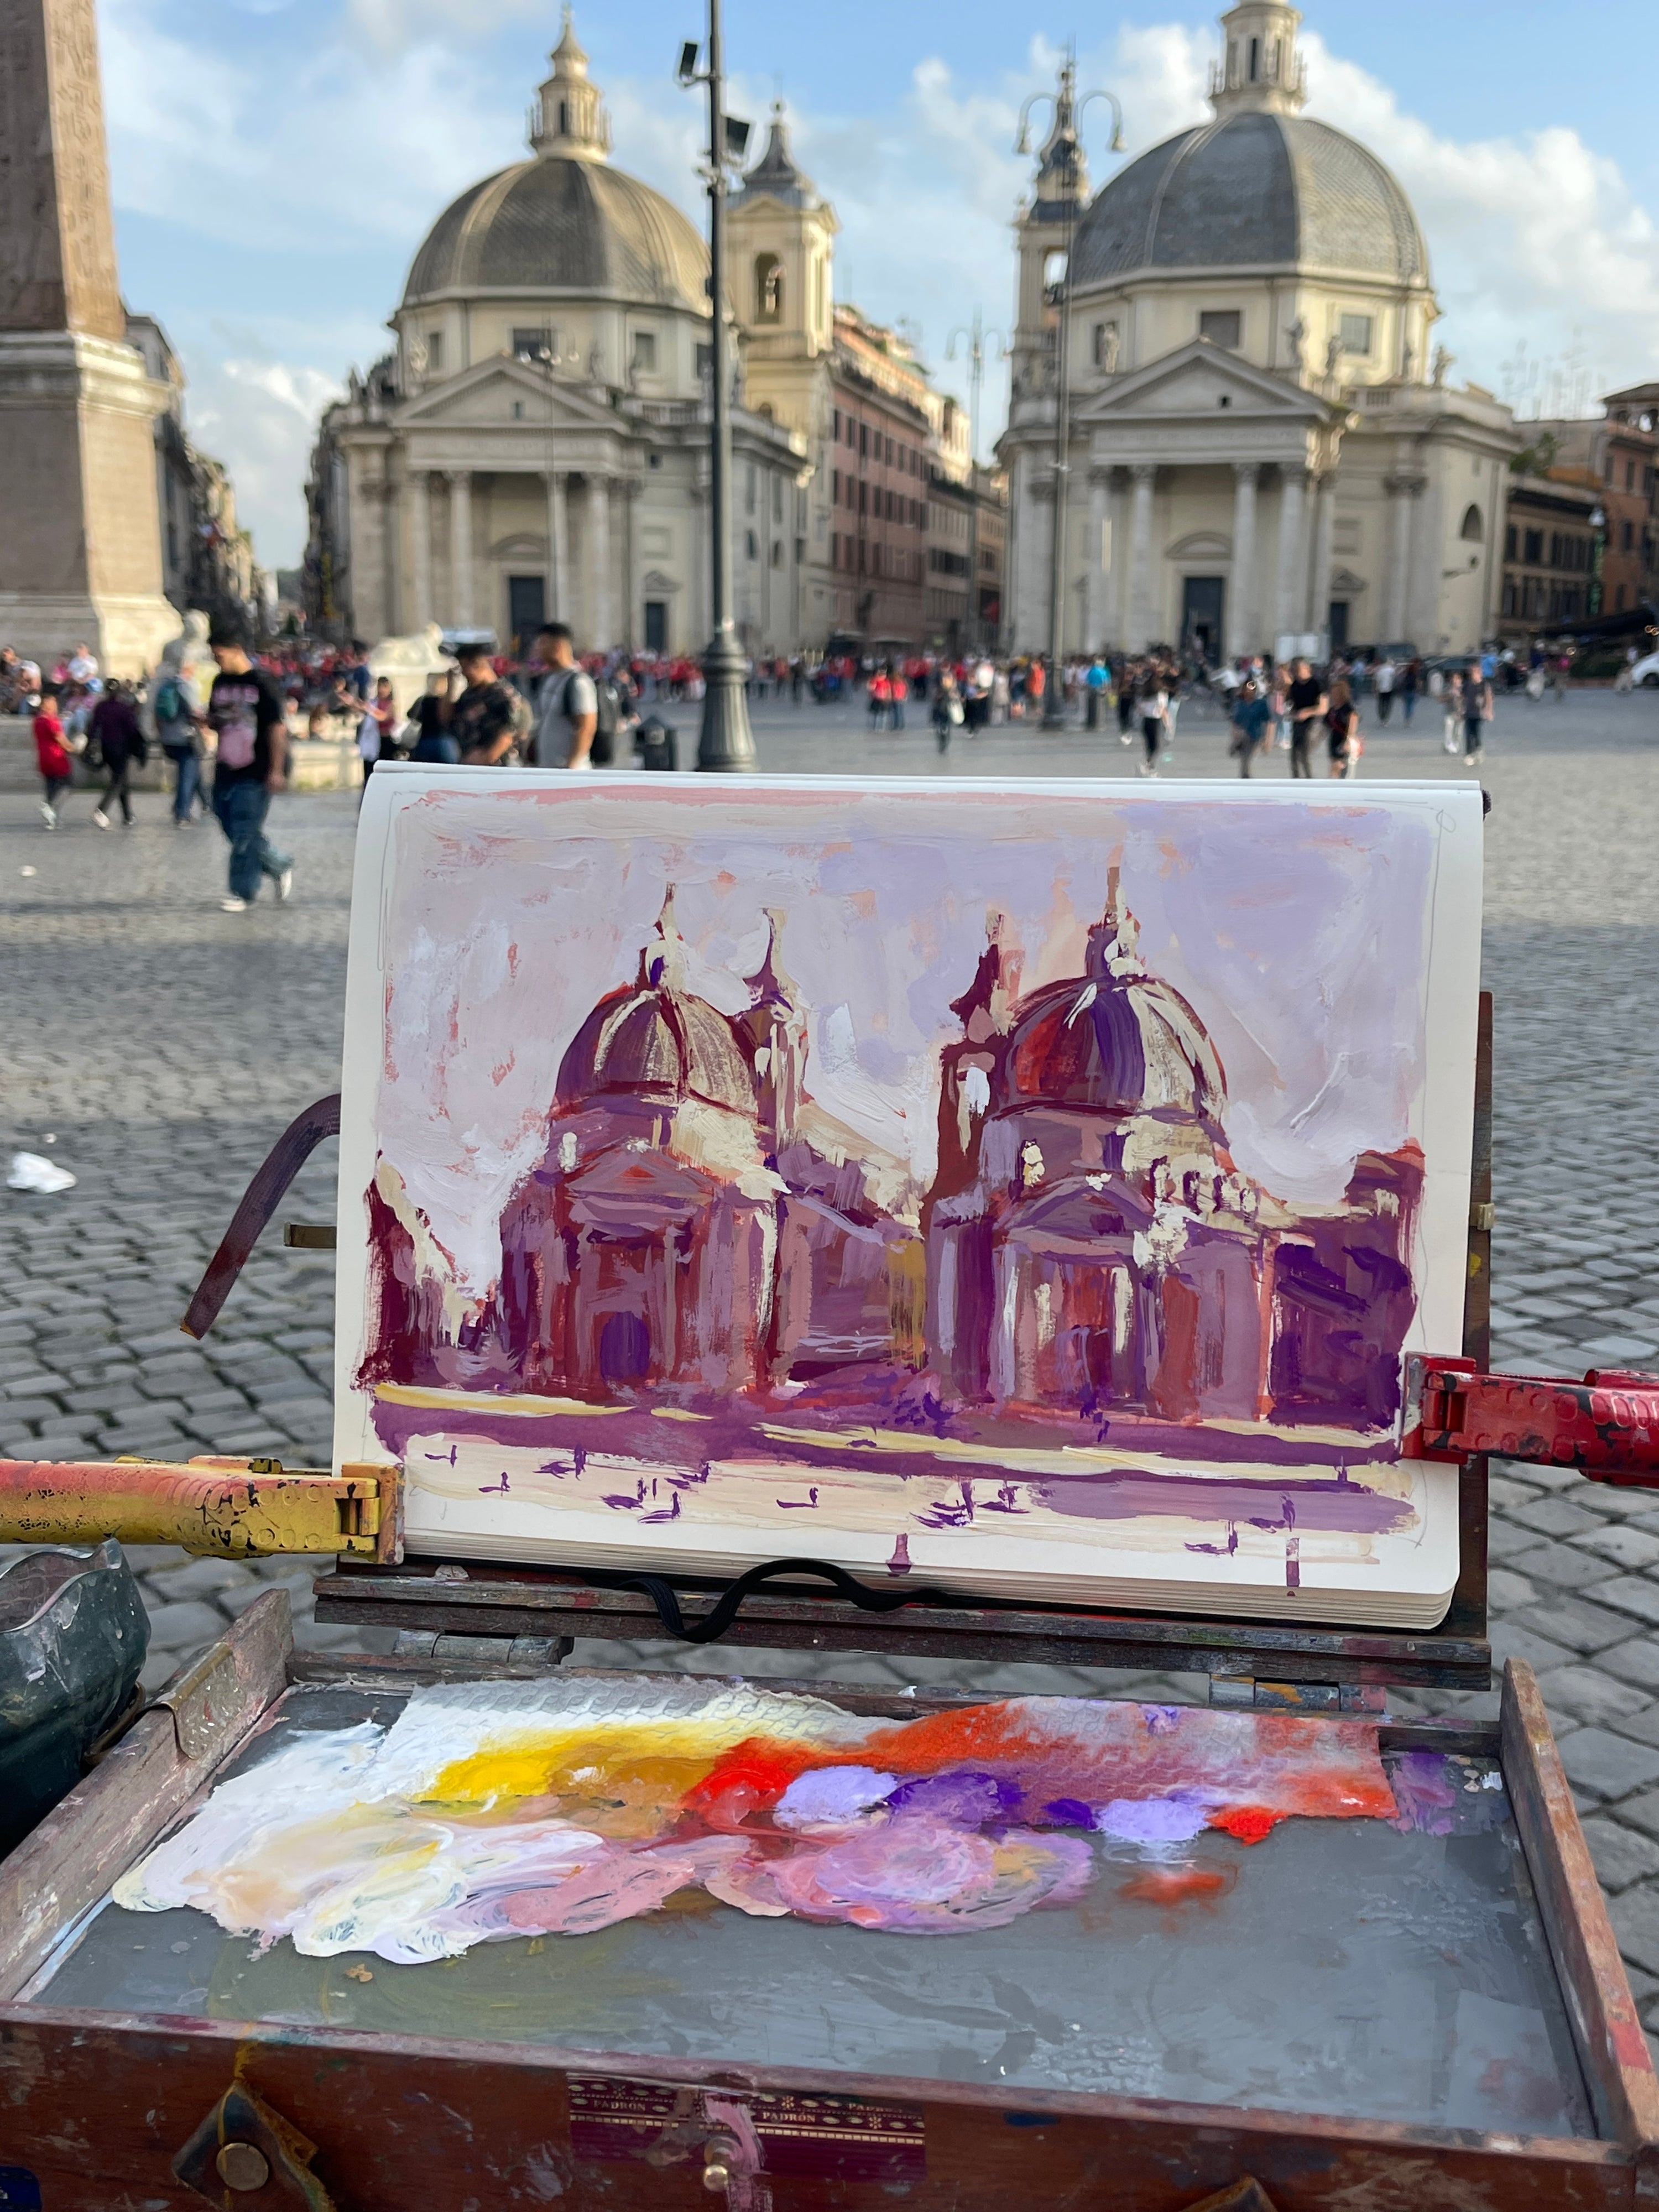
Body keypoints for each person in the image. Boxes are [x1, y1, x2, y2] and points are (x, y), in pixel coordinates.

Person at [207, 620, 294, 912]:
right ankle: (278, 864)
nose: (216, 661)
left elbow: (277, 728)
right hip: (225, 767)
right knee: (230, 826)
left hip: (257, 769)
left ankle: (242, 893)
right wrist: (208, 721)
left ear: (236, 650)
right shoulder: (219, 683)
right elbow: (217, 720)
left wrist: (277, 771)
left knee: (245, 830)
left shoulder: (263, 683)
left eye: (219, 655)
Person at [532, 624, 598, 768]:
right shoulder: (549, 679)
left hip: (569, 772)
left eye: (543, 643)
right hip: (549, 769)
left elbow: (586, 727)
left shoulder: (579, 682)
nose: (538, 648)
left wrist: (572, 765)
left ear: (558, 646)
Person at [451, 643, 526, 764]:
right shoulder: (469, 695)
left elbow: (509, 732)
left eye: (465, 668)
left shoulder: (504, 695)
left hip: (497, 766)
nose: (464, 674)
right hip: (468, 763)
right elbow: (448, 719)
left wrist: (485, 759)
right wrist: (450, 688)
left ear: (479, 665)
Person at [153, 658, 207, 825]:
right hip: (186, 738)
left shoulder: (165, 686)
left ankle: (207, 803)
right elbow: (196, 712)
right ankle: (182, 814)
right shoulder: (187, 687)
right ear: (189, 670)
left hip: (169, 739)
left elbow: (157, 715)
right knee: (187, 777)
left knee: (193, 772)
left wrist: (162, 735)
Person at [87, 682, 145, 827]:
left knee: (122, 780)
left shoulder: (101, 707)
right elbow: (132, 729)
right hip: (121, 748)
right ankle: (101, 810)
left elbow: (93, 727)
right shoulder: (124, 708)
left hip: (106, 748)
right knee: (118, 781)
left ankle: (127, 815)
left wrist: (90, 745)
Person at [33, 683, 74, 828]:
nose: (56, 705)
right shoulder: (51, 720)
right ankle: (49, 806)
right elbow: (60, 738)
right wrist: (73, 748)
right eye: (53, 702)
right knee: (67, 784)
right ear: (47, 705)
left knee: (50, 786)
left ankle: (52, 819)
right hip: (56, 757)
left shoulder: (38, 720)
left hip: (43, 757)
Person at [406, 668, 461, 763]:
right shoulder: (445, 701)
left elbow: (411, 715)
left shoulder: (423, 700)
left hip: (425, 739)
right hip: (444, 739)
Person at [1286, 658, 1326, 779]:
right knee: (1294, 755)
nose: (1296, 673)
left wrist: (1308, 712)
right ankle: (1296, 779)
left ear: (1307, 669)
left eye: (1298, 670)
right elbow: (1291, 705)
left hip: (1313, 723)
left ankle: (1309, 780)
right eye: (1294, 670)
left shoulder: (1317, 684)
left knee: (1305, 754)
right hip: (1298, 723)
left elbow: (1323, 708)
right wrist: (1292, 713)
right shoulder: (1294, 685)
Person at [1229, 677, 1271, 778]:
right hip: (1242, 737)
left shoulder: (1261, 704)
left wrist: (1268, 741)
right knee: (1244, 760)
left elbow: (1269, 722)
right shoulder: (1240, 704)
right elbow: (1235, 722)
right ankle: (1245, 778)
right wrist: (1235, 735)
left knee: (1246, 759)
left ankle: (1246, 779)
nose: (1249, 692)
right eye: (1247, 689)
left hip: (1255, 736)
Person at [1325, 678, 1360, 779]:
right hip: (1334, 740)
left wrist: (1348, 741)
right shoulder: (1332, 710)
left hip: (1344, 740)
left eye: (1336, 693)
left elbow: (1353, 725)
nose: (1333, 696)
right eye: (1332, 693)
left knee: (1339, 765)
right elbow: (1325, 726)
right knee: (1335, 765)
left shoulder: (1348, 709)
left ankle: (1335, 783)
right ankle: (1335, 782)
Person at [1136, 671, 1168, 778]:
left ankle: (1149, 766)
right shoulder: (1161, 695)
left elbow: (1140, 709)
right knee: (1156, 746)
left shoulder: (1145, 694)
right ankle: (1148, 766)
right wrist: (1168, 725)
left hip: (1146, 721)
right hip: (1155, 721)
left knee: (1149, 746)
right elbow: (1163, 710)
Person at [1461, 659, 1491, 764]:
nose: (1476, 674)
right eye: (1473, 672)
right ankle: (1469, 754)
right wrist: (1461, 710)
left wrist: (1488, 711)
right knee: (1469, 734)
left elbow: (1489, 697)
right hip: (1468, 712)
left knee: (1476, 733)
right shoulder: (1467, 684)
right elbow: (1462, 698)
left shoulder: (1484, 684)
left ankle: (1478, 749)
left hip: (1479, 713)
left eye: (1478, 672)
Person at [1374, 655, 1396, 723]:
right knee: (1388, 704)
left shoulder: (1379, 671)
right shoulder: (1392, 670)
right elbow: (1394, 680)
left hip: (1381, 689)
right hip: (1390, 689)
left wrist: (1376, 690)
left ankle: (1382, 716)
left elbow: (1377, 681)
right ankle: (1386, 718)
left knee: (1381, 703)